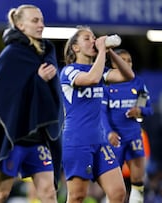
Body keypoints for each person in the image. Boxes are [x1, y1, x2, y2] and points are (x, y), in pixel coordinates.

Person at [0, 4, 64, 203]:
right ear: (20, 25)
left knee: (48, 193)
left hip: (38, 139)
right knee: (1, 194)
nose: (41, 25)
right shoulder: (12, 54)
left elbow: (52, 93)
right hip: (14, 140)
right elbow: (2, 98)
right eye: (35, 21)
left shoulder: (47, 52)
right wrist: (37, 81)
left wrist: (42, 83)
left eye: (42, 20)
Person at [59, 26, 135, 203]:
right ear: (75, 48)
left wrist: (109, 52)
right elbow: (91, 79)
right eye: (87, 38)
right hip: (78, 141)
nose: (93, 40)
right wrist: (101, 51)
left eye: (94, 37)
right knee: (77, 196)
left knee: (118, 193)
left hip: (100, 141)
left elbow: (128, 75)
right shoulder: (69, 71)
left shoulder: (100, 70)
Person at [101, 49, 154, 203]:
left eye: (129, 60)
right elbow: (102, 113)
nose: (127, 63)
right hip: (114, 138)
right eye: (122, 59)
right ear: (113, 63)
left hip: (133, 136)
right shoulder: (106, 84)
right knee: (113, 182)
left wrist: (139, 110)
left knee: (138, 179)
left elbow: (147, 108)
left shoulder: (138, 83)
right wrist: (109, 133)